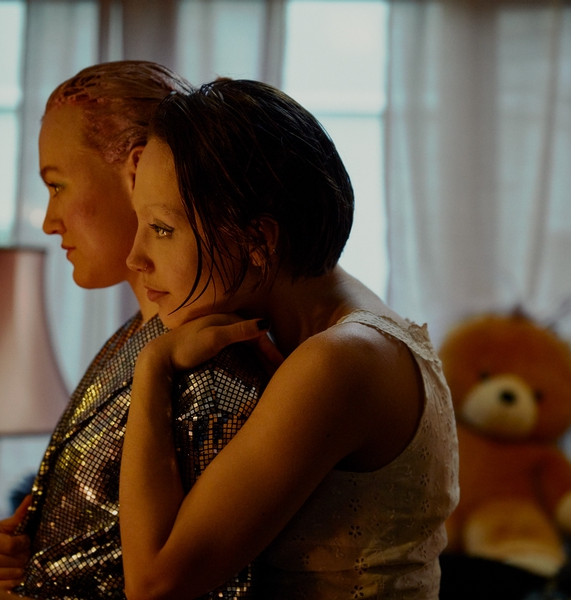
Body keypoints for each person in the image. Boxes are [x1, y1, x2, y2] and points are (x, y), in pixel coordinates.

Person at [0, 63, 271, 600]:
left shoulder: (210, 369)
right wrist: (31, 553)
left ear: (138, 170)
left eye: (57, 185)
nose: (49, 220)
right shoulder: (134, 338)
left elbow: (203, 589)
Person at [118, 79, 459, 599]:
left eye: (162, 228)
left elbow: (154, 583)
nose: (135, 257)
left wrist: (153, 367)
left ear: (259, 239)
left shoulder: (339, 361)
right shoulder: (338, 326)